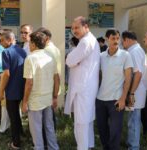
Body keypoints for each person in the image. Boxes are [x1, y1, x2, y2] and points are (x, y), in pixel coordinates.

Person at [64, 16, 100, 150]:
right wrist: (72, 59)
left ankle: (83, 147)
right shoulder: (90, 40)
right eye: (73, 28)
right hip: (87, 86)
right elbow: (72, 60)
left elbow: (69, 61)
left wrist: (70, 58)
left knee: (81, 122)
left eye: (77, 27)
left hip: (83, 88)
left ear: (86, 27)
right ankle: (89, 145)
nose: (74, 31)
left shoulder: (85, 42)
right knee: (87, 119)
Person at [22, 31, 59, 150]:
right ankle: (54, 147)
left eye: (29, 43)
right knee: (49, 126)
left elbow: (29, 83)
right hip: (47, 99)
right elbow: (56, 78)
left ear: (33, 44)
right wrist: (54, 97)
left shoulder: (30, 58)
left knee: (36, 130)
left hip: (35, 101)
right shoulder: (50, 57)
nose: (29, 45)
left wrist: (25, 102)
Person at [96, 29, 133, 150]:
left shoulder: (125, 55)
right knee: (102, 129)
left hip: (116, 100)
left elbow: (128, 78)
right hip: (100, 99)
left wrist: (123, 98)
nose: (116, 41)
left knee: (115, 131)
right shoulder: (101, 56)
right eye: (113, 38)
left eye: (118, 38)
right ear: (107, 39)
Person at [0, 30, 26, 149]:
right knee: (16, 115)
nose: (1, 43)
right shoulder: (23, 51)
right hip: (22, 87)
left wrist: (0, 91)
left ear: (9, 40)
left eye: (2, 40)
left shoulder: (6, 52)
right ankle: (21, 133)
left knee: (13, 116)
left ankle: (16, 143)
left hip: (12, 90)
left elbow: (6, 74)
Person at [121, 30, 147, 150]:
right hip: (135, 91)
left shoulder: (134, 51)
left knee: (134, 121)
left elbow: (138, 74)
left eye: (123, 41)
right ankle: (131, 143)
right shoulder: (136, 50)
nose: (122, 44)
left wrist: (131, 93)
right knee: (132, 120)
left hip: (135, 92)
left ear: (128, 39)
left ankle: (134, 146)